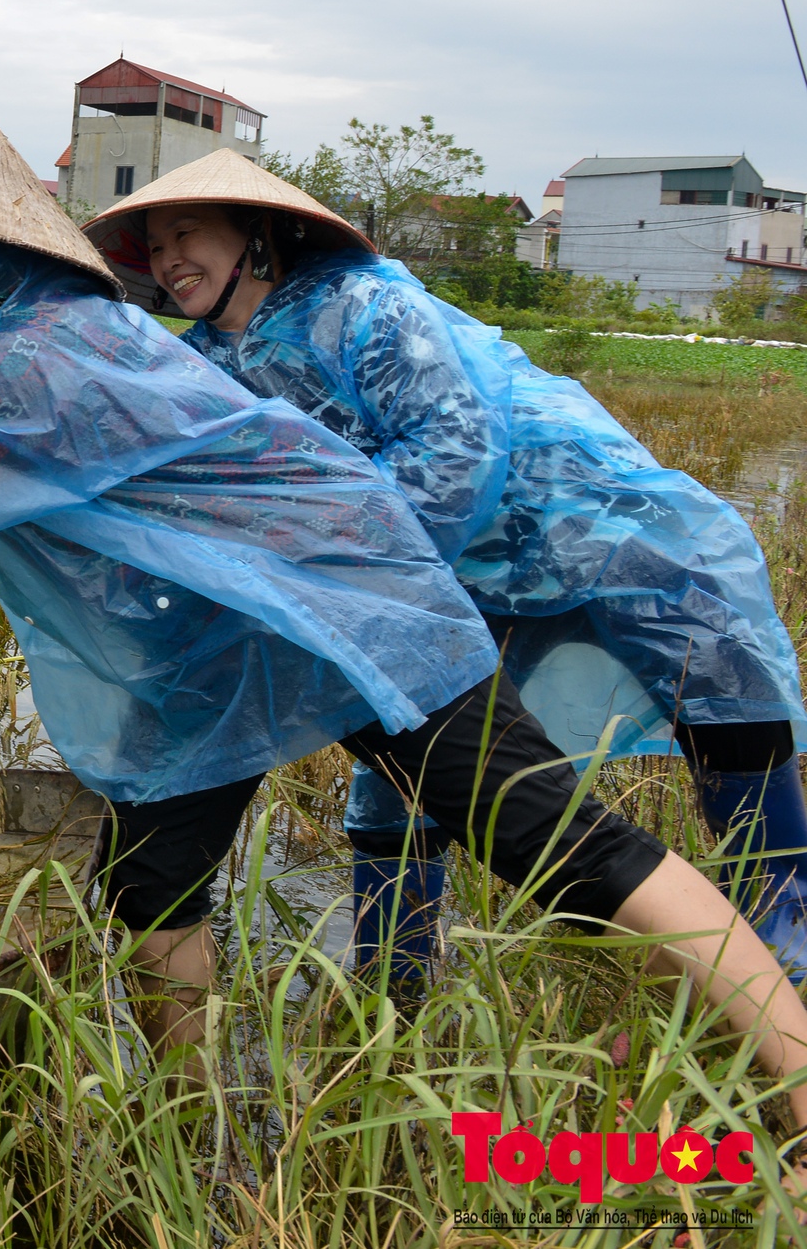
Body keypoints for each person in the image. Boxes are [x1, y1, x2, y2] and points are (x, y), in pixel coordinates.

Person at [0, 122, 807, 1123]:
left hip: (357, 608)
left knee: (552, 844)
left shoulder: (48, 354)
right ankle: (179, 1112)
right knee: (151, 886)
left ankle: (795, 1078)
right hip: (225, 643)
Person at [83, 149, 807, 983]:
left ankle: (782, 947)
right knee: (404, 760)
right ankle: (395, 978)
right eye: (154, 245)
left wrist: (326, 570)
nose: (170, 260)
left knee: (720, 699)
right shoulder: (205, 365)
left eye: (188, 233)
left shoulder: (368, 305)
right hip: (451, 567)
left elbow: (455, 455)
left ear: (258, 233)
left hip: (604, 526)